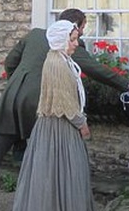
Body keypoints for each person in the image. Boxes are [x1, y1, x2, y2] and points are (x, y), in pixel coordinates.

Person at [0, 8, 129, 211]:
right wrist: (128, 85)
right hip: (42, 101)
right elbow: (98, 71)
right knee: (43, 152)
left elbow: (10, 62)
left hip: (13, 94)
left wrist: (18, 81)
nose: (81, 35)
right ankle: (42, 200)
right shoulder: (68, 45)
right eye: (82, 28)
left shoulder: (35, 34)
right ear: (75, 27)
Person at [12, 20, 93, 210]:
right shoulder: (57, 63)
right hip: (59, 128)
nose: (75, 43)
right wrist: (82, 124)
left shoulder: (60, 59)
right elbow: (65, 101)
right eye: (72, 40)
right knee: (62, 174)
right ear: (61, 40)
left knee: (52, 175)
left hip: (55, 126)